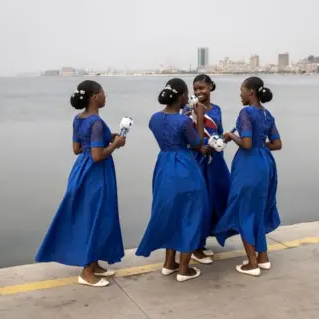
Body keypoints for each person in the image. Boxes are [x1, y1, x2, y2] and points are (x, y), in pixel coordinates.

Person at [35, 80, 126, 287]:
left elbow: (77, 149)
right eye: (103, 93)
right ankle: (86, 272)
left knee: (91, 215)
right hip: (97, 174)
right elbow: (97, 156)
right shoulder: (96, 122)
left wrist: (106, 139)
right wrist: (116, 144)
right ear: (94, 97)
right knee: (96, 217)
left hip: (80, 170)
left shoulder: (78, 119)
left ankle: (94, 263)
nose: (105, 96)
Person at [136, 78, 209, 282]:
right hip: (184, 167)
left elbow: (169, 130)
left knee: (171, 213)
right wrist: (200, 117)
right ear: (183, 96)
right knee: (190, 214)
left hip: (164, 166)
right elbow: (197, 143)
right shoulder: (184, 121)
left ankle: (169, 263)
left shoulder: (154, 119)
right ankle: (184, 269)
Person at [213, 76, 282, 277]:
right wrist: (261, 146)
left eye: (242, 90)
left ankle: (252, 264)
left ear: (251, 91)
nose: (240, 95)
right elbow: (277, 144)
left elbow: (246, 144)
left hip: (249, 165)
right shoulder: (267, 114)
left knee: (244, 210)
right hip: (265, 165)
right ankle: (263, 257)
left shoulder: (246, 112)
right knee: (257, 209)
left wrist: (230, 135)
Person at [182, 74, 231, 265]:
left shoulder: (216, 109)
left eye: (202, 88)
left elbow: (218, 130)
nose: (198, 92)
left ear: (210, 87)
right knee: (198, 201)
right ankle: (194, 246)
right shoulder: (188, 110)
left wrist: (222, 141)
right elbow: (186, 134)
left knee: (215, 198)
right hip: (197, 157)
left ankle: (203, 241)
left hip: (215, 158)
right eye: (195, 89)